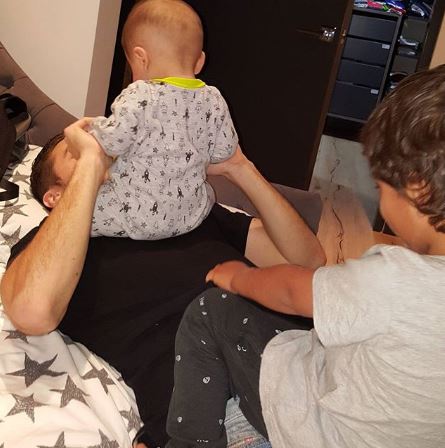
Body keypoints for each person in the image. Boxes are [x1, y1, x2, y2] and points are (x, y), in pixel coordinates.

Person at [164, 65, 445, 448]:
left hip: (314, 429)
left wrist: (240, 279)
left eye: (381, 187)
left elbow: (295, 290)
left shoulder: (395, 278)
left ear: (417, 189)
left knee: (212, 310)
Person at [0, 118, 325, 447]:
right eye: (75, 151)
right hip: (225, 412)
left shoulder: (185, 212)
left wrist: (239, 167)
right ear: (54, 197)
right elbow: (33, 311)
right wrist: (91, 165)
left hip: (316, 361)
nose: (101, 147)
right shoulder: (48, 249)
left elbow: (308, 262)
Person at [88, 0, 238, 240]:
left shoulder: (139, 94)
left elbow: (112, 142)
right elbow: (224, 151)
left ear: (140, 58)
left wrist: (92, 127)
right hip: (190, 215)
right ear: (199, 61)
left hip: (135, 214)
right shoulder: (214, 98)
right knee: (206, 192)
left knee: (81, 211)